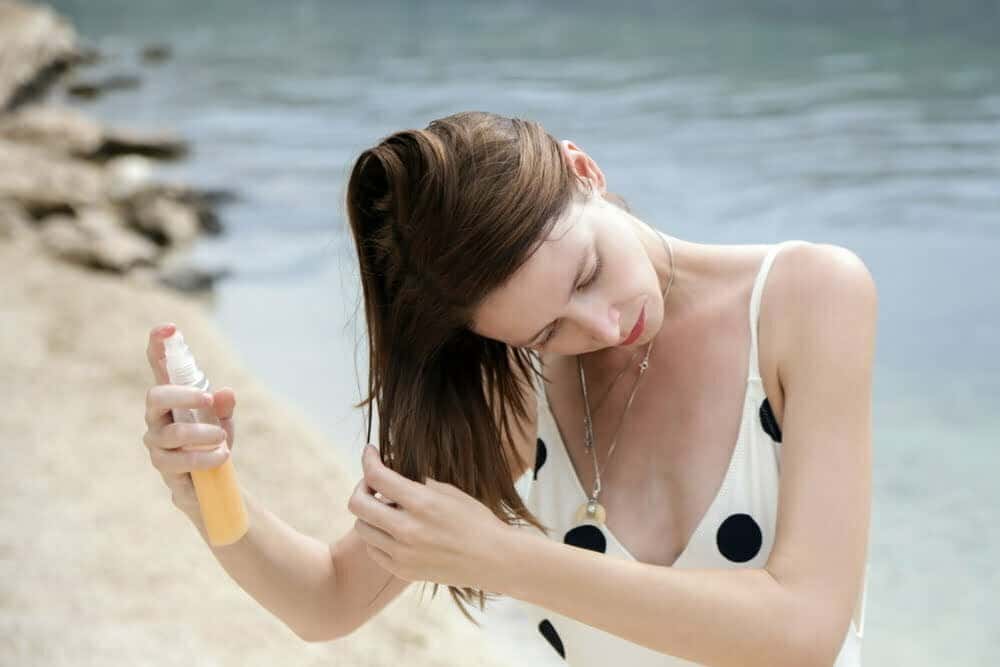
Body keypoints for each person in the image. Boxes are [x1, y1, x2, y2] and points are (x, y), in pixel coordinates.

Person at [141, 111, 874, 666]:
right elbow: (328, 597)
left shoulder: (805, 298)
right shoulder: (516, 392)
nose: (605, 322)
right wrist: (206, 487)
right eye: (547, 331)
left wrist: (501, 557)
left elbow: (804, 628)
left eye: (585, 273)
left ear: (583, 169)